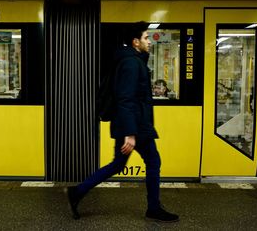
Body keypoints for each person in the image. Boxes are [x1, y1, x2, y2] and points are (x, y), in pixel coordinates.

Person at [66, 21, 179, 222]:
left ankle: (77, 192)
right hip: (135, 126)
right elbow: (125, 98)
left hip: (133, 124)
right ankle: (153, 208)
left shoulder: (133, 60)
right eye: (146, 38)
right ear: (135, 42)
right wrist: (130, 133)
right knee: (153, 161)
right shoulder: (131, 63)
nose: (149, 41)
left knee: (118, 164)